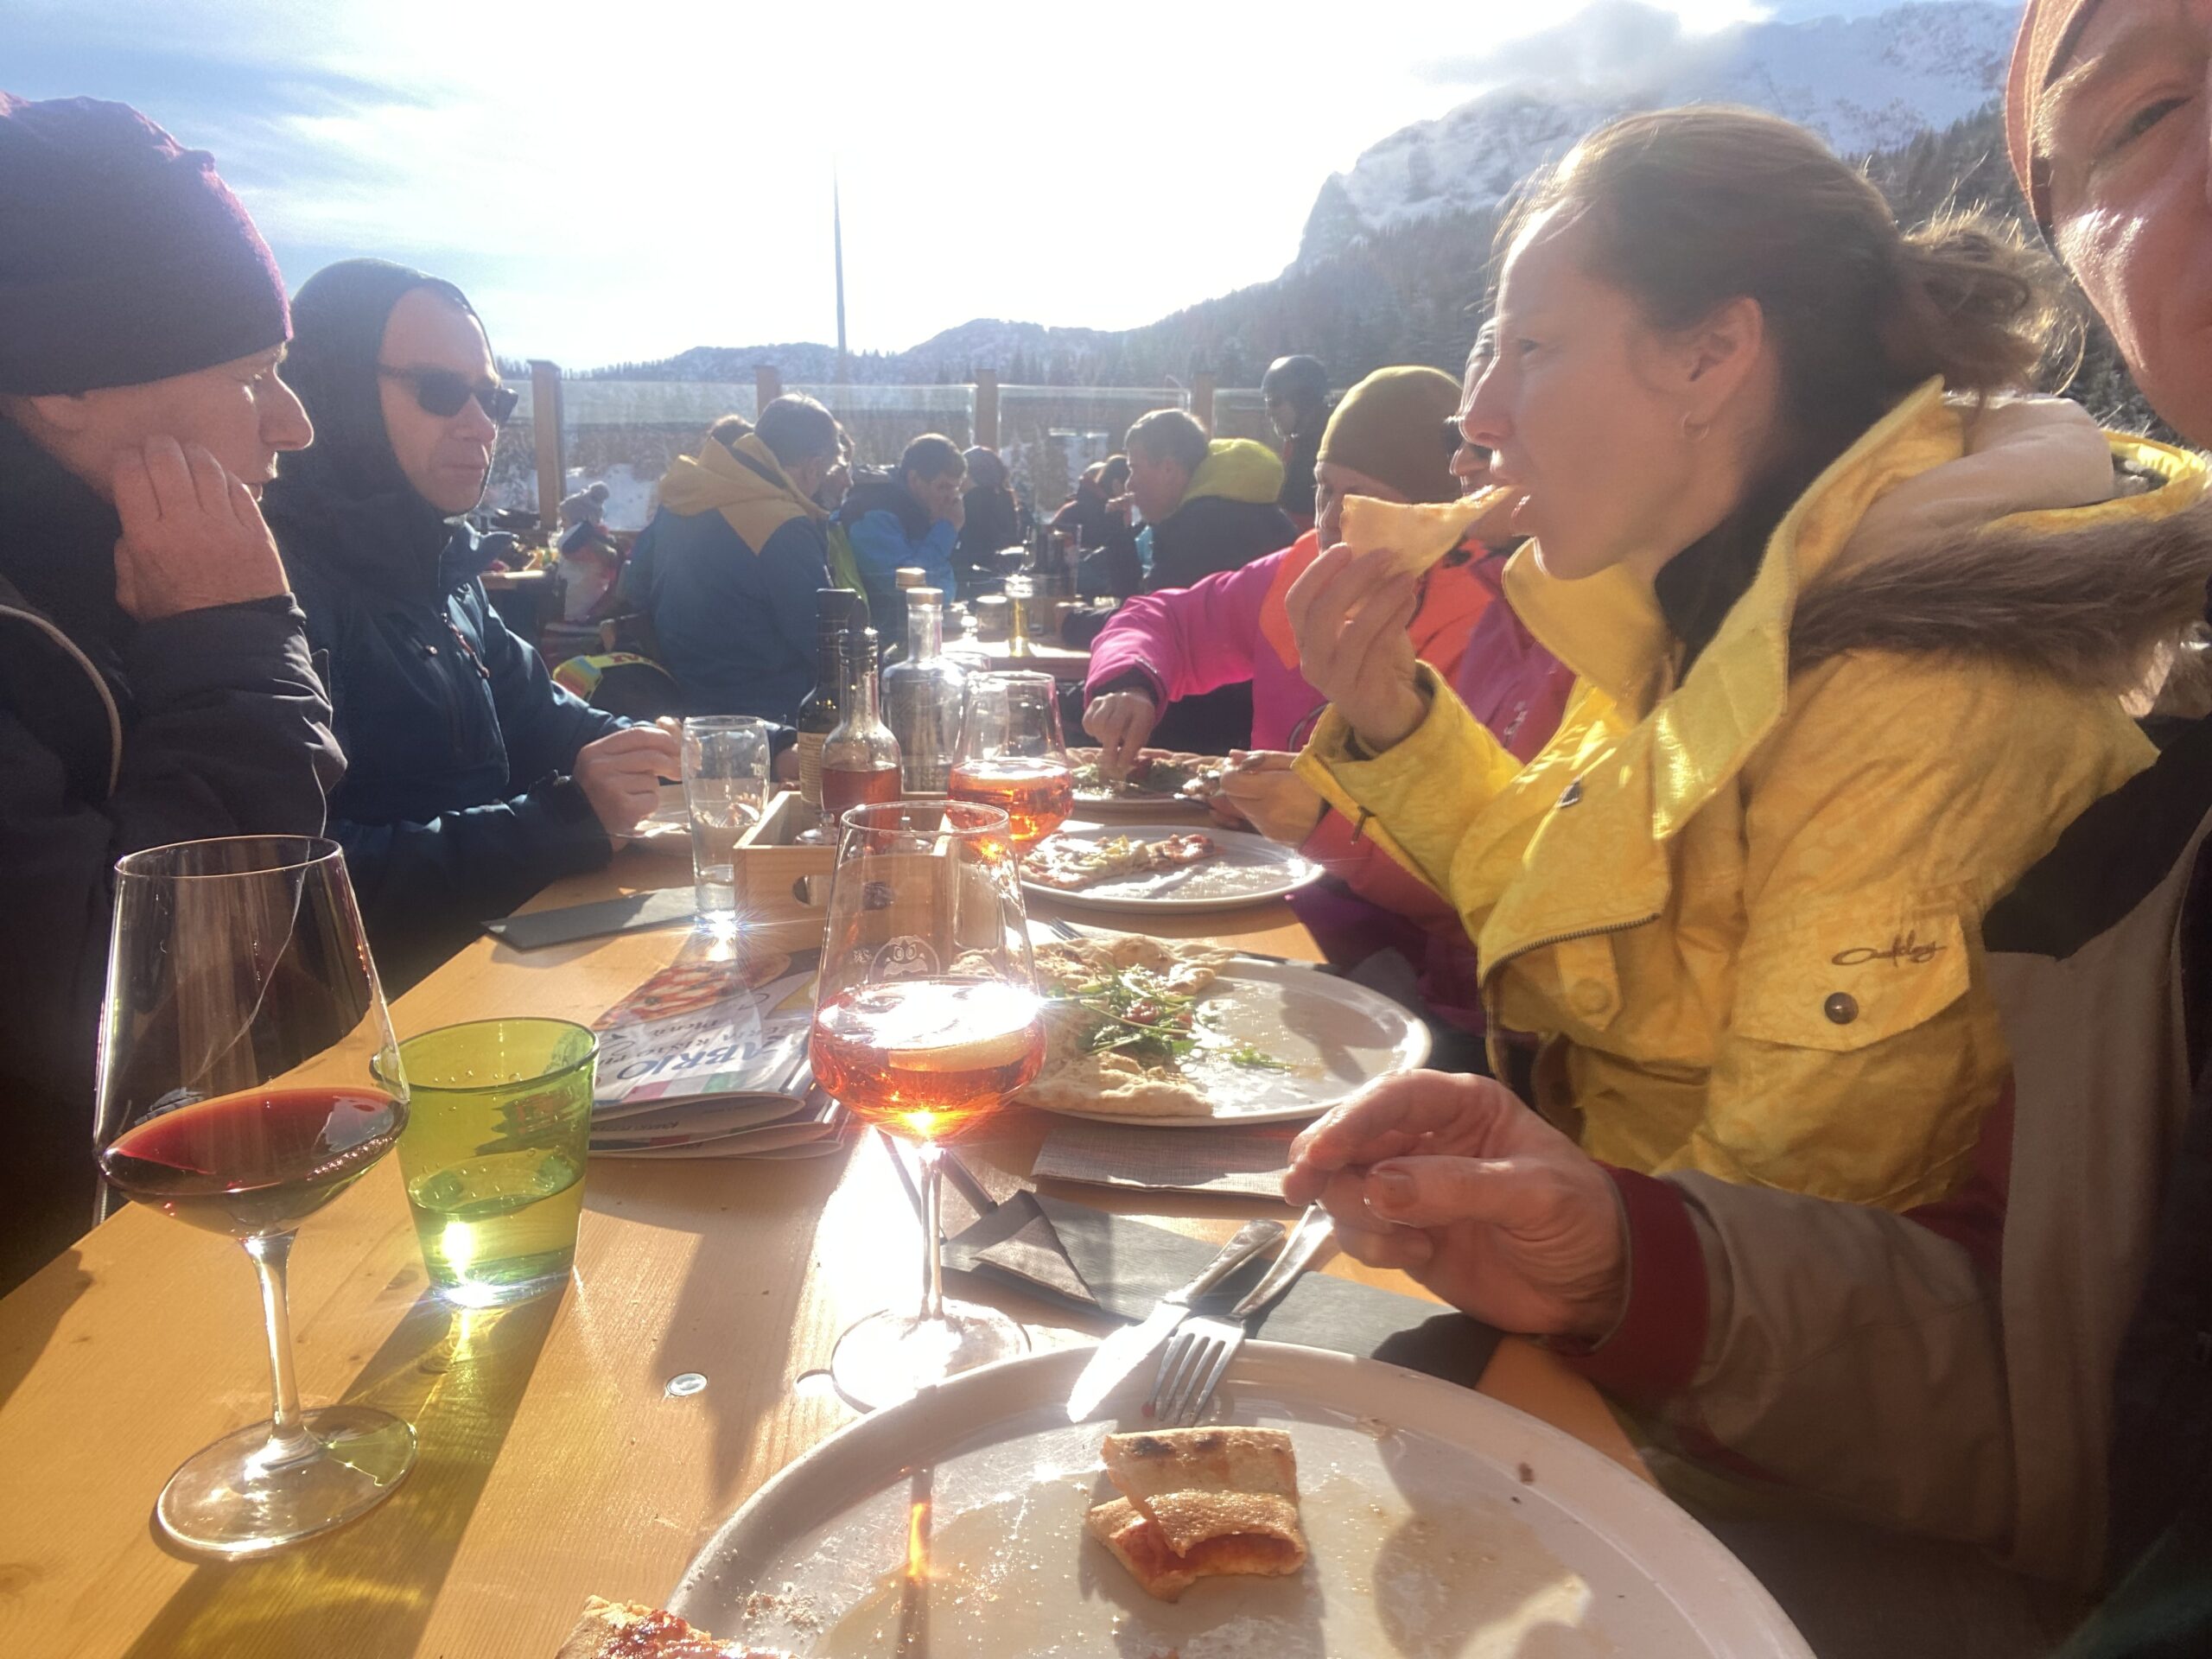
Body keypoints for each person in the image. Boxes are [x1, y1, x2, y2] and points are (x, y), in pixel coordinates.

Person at [1280, 86, 2212, 1649]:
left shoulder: (1914, 689)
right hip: (1645, 1341)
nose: (1478, 415)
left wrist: (1579, 1261)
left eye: (1527, 345)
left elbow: (1777, 1241)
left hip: (1786, 1474)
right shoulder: (1712, 610)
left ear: (1714, 355)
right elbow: (1572, 908)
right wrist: (1394, 717)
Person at [0, 93, 342, 1293]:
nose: (295, 424)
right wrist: (233, 645)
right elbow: (131, 1018)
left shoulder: (105, 574)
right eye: (254, 375)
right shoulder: (168, 597)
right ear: (65, 386)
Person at [1081, 367, 1528, 1058]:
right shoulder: (1294, 573)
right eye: (1323, 487)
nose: (1330, 518)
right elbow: (1163, 618)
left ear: (1431, 516)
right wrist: (1132, 680)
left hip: (1414, 985)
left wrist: (1324, 822)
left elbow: (1491, 884)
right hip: (1262, 913)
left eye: (1362, 501)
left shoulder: (1495, 627)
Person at [263, 259, 678, 991]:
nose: (482, 424)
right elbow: (290, 890)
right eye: (440, 391)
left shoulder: (442, 569)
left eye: (492, 397)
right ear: (334, 391)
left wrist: (710, 751)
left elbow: (546, 719)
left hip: (497, 966)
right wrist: (561, 823)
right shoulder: (270, 586)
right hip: (380, 1016)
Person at [621, 395, 847, 721]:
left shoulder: (682, 495)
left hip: (679, 696)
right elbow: (821, 640)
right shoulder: (781, 524)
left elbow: (636, 586)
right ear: (813, 467)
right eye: (823, 473)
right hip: (770, 711)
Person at [1100, 410, 1294, 752]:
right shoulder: (1250, 512)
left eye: (1134, 468)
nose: (1128, 484)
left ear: (1168, 468)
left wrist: (1069, 624)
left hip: (1211, 730)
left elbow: (1165, 627)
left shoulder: (1200, 529)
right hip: (1266, 723)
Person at [838, 433, 964, 651]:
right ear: (914, 479)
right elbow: (907, 589)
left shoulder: (919, 510)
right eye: (943, 487)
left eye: (956, 488)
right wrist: (947, 529)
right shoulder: (874, 512)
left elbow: (945, 589)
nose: (950, 498)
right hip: (880, 645)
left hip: (914, 635)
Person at [1261, 354, 1330, 533]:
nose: (1269, 412)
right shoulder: (1298, 442)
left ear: (1302, 400)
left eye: (1274, 401)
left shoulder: (1330, 450)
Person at [954, 443, 1020, 600]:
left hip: (974, 582)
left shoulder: (972, 501)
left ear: (968, 473)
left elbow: (969, 547)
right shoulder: (1005, 499)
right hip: (1002, 578)